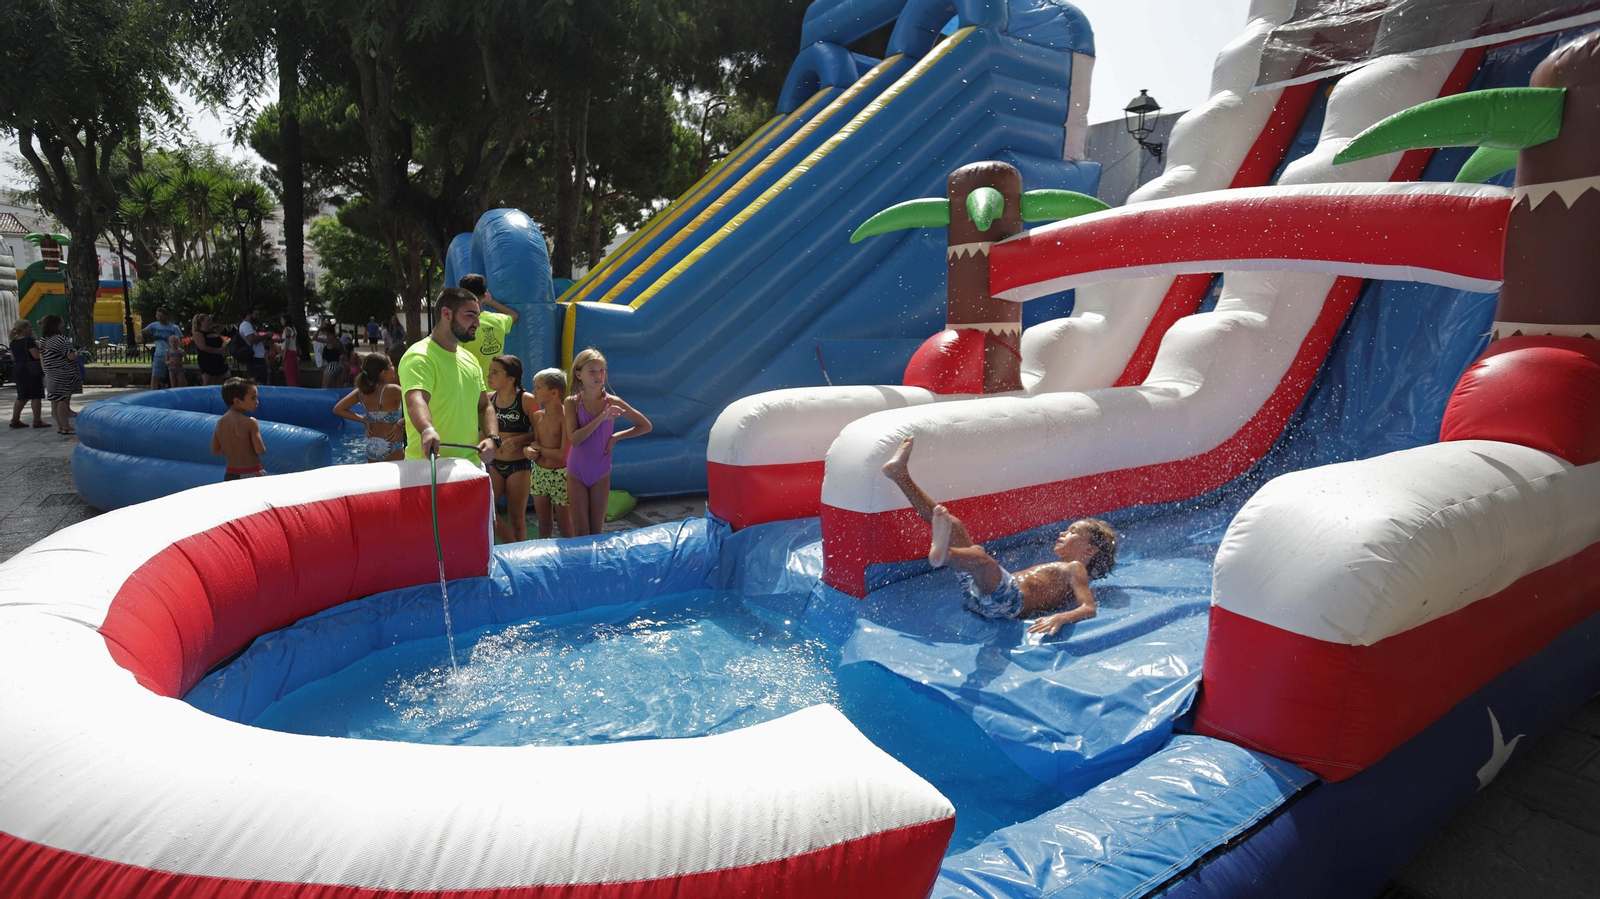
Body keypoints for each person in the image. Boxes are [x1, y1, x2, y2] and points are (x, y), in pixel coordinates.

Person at [880, 436, 1119, 636]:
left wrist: (1061, 618)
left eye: (1073, 532)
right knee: (953, 524)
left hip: (1005, 601)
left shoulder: (1076, 568)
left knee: (980, 557)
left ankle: (944, 554)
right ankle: (900, 475)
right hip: (984, 593)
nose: (1062, 532)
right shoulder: (1064, 571)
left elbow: (1088, 608)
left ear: (1090, 550)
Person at [399, 286, 498, 463]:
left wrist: (492, 437)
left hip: (469, 468)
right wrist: (427, 430)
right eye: (470, 315)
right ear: (446, 314)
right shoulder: (420, 356)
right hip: (428, 468)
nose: (477, 323)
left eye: (478, 315)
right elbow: (416, 399)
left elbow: (484, 406)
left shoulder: (470, 359)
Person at [564, 347, 651, 536]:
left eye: (602, 370)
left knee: (596, 530)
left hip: (601, 470)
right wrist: (602, 418)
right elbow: (575, 439)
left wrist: (616, 437)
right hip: (576, 469)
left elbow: (645, 426)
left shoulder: (613, 402)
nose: (598, 375)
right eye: (592, 371)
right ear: (579, 374)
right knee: (580, 529)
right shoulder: (571, 402)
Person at [485, 355, 542, 543]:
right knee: (487, 510)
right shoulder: (488, 400)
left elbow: (541, 432)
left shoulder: (527, 400)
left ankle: (520, 553)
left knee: (517, 518)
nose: (489, 376)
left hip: (518, 466)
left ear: (511, 378)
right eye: (489, 371)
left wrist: (520, 440)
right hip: (495, 464)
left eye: (495, 373)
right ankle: (511, 546)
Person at [526, 367, 575, 539]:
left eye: (538, 388)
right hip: (539, 474)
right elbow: (535, 444)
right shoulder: (538, 416)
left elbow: (563, 454)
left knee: (565, 526)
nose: (534, 392)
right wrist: (529, 450)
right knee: (544, 525)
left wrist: (539, 450)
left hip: (561, 476)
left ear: (554, 392)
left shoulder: (566, 417)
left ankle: (571, 560)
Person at [334, 353, 406, 462]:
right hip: (392, 445)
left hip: (371, 446)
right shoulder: (394, 390)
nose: (394, 368)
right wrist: (400, 424)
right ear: (384, 372)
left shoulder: (362, 391)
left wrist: (364, 420)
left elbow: (338, 409)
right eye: (391, 365)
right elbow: (417, 409)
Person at [456, 274, 520, 381]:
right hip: (495, 389)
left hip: (470, 389)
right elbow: (514, 316)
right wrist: (492, 302)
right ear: (484, 296)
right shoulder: (499, 320)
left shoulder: (458, 326)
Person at [211, 377, 266, 480]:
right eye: (253, 398)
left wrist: (233, 451)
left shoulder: (220, 422)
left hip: (231, 474)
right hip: (253, 472)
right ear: (237, 401)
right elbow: (260, 450)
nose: (257, 402)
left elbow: (215, 450)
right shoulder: (250, 422)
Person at [38, 315, 80, 436]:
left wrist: (45, 370)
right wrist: (76, 352)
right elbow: (71, 356)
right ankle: (66, 427)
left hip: (51, 373)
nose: (63, 326)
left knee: (55, 401)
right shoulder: (61, 339)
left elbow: (42, 357)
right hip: (62, 374)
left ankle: (60, 426)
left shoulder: (44, 340)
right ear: (55, 325)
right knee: (63, 400)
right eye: (61, 323)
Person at [8, 320, 48, 429]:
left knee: (22, 395)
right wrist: (37, 343)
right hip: (30, 369)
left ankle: (15, 419)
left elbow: (13, 358)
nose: (31, 329)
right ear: (23, 328)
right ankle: (37, 420)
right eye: (29, 327)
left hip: (18, 368)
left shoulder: (13, 342)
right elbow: (35, 355)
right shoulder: (29, 340)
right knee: (36, 395)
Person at [142, 307, 186, 389]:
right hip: (159, 355)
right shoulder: (154, 326)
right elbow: (143, 331)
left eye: (161, 316)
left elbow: (180, 342)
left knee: (175, 377)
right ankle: (153, 392)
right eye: (158, 316)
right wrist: (140, 334)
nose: (159, 318)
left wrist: (178, 354)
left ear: (166, 316)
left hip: (172, 354)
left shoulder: (174, 328)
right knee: (155, 376)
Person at [191, 314, 230, 385]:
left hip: (218, 359)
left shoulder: (214, 332)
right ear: (202, 322)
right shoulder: (198, 333)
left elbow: (223, 341)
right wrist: (217, 351)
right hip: (207, 359)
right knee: (208, 380)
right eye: (208, 320)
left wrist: (222, 348)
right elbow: (203, 347)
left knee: (219, 380)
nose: (210, 322)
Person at [237, 310, 269, 383]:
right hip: (255, 358)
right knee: (257, 381)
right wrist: (266, 336)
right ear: (249, 315)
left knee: (261, 380)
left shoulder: (250, 325)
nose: (257, 317)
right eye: (256, 315)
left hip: (258, 357)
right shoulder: (246, 324)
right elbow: (252, 339)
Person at [280, 314, 301, 387]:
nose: (281, 321)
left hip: (289, 352)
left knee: (289, 371)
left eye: (282, 320)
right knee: (294, 370)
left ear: (285, 320)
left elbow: (287, 341)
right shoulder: (293, 329)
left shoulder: (287, 329)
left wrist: (284, 354)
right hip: (293, 351)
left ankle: (292, 387)